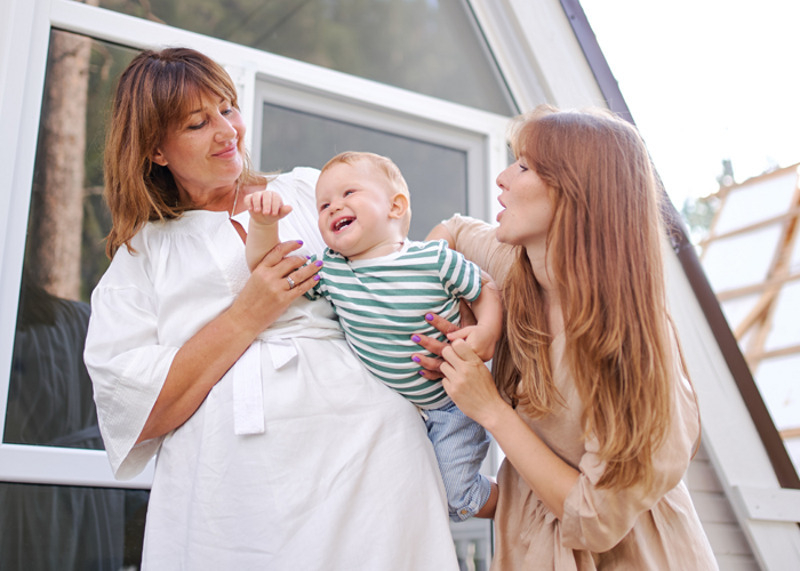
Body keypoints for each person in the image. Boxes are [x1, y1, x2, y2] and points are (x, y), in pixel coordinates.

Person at [83, 47, 459, 569]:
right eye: (198, 122)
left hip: (370, 453)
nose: (226, 130)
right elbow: (137, 414)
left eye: (228, 107)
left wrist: (464, 329)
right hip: (231, 489)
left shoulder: (310, 191)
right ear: (156, 151)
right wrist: (246, 314)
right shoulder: (141, 257)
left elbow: (397, 270)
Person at [416, 105, 719, 569]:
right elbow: (451, 234)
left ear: (577, 191)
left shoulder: (635, 343)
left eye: (523, 166)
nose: (502, 178)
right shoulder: (512, 272)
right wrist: (470, 315)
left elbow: (596, 520)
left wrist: (490, 409)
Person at [245, 151, 502, 521]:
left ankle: (521, 503)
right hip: (398, 415)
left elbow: (483, 288)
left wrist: (486, 330)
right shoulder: (332, 272)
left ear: (395, 206)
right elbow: (267, 271)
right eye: (324, 205)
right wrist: (263, 223)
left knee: (453, 497)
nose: (334, 208)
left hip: (453, 405)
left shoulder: (434, 259)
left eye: (349, 193)